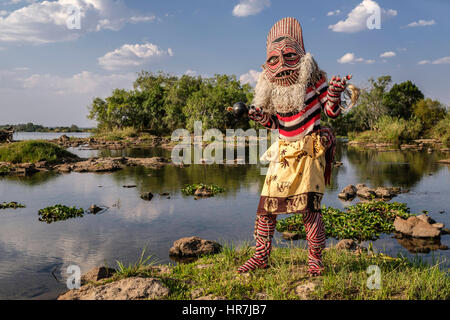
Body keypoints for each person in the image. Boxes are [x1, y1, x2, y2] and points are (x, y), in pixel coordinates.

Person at [237, 17, 350, 277]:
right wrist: (257, 115)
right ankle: (261, 257)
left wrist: (333, 92)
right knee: (266, 208)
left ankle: (315, 261)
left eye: (289, 55)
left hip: (310, 149)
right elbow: (276, 122)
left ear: (302, 56)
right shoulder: (273, 87)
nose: (281, 64)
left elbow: (332, 112)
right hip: (284, 152)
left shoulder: (315, 79)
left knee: (309, 209)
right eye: (273, 59)